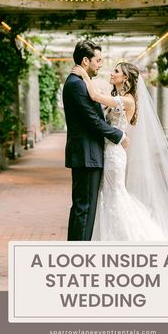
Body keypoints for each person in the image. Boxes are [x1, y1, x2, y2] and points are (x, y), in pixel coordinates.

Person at [72, 61, 168, 283]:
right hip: (109, 152)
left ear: (126, 79)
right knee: (110, 195)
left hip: (114, 155)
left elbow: (94, 96)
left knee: (114, 195)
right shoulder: (122, 98)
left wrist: (83, 74)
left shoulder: (127, 100)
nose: (111, 73)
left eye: (116, 72)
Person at [62, 40, 129, 241]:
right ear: (85, 61)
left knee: (83, 207)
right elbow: (92, 120)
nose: (100, 64)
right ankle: (78, 257)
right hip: (86, 154)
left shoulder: (79, 82)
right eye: (97, 60)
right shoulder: (75, 84)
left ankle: (75, 252)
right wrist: (119, 135)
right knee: (85, 208)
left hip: (87, 153)